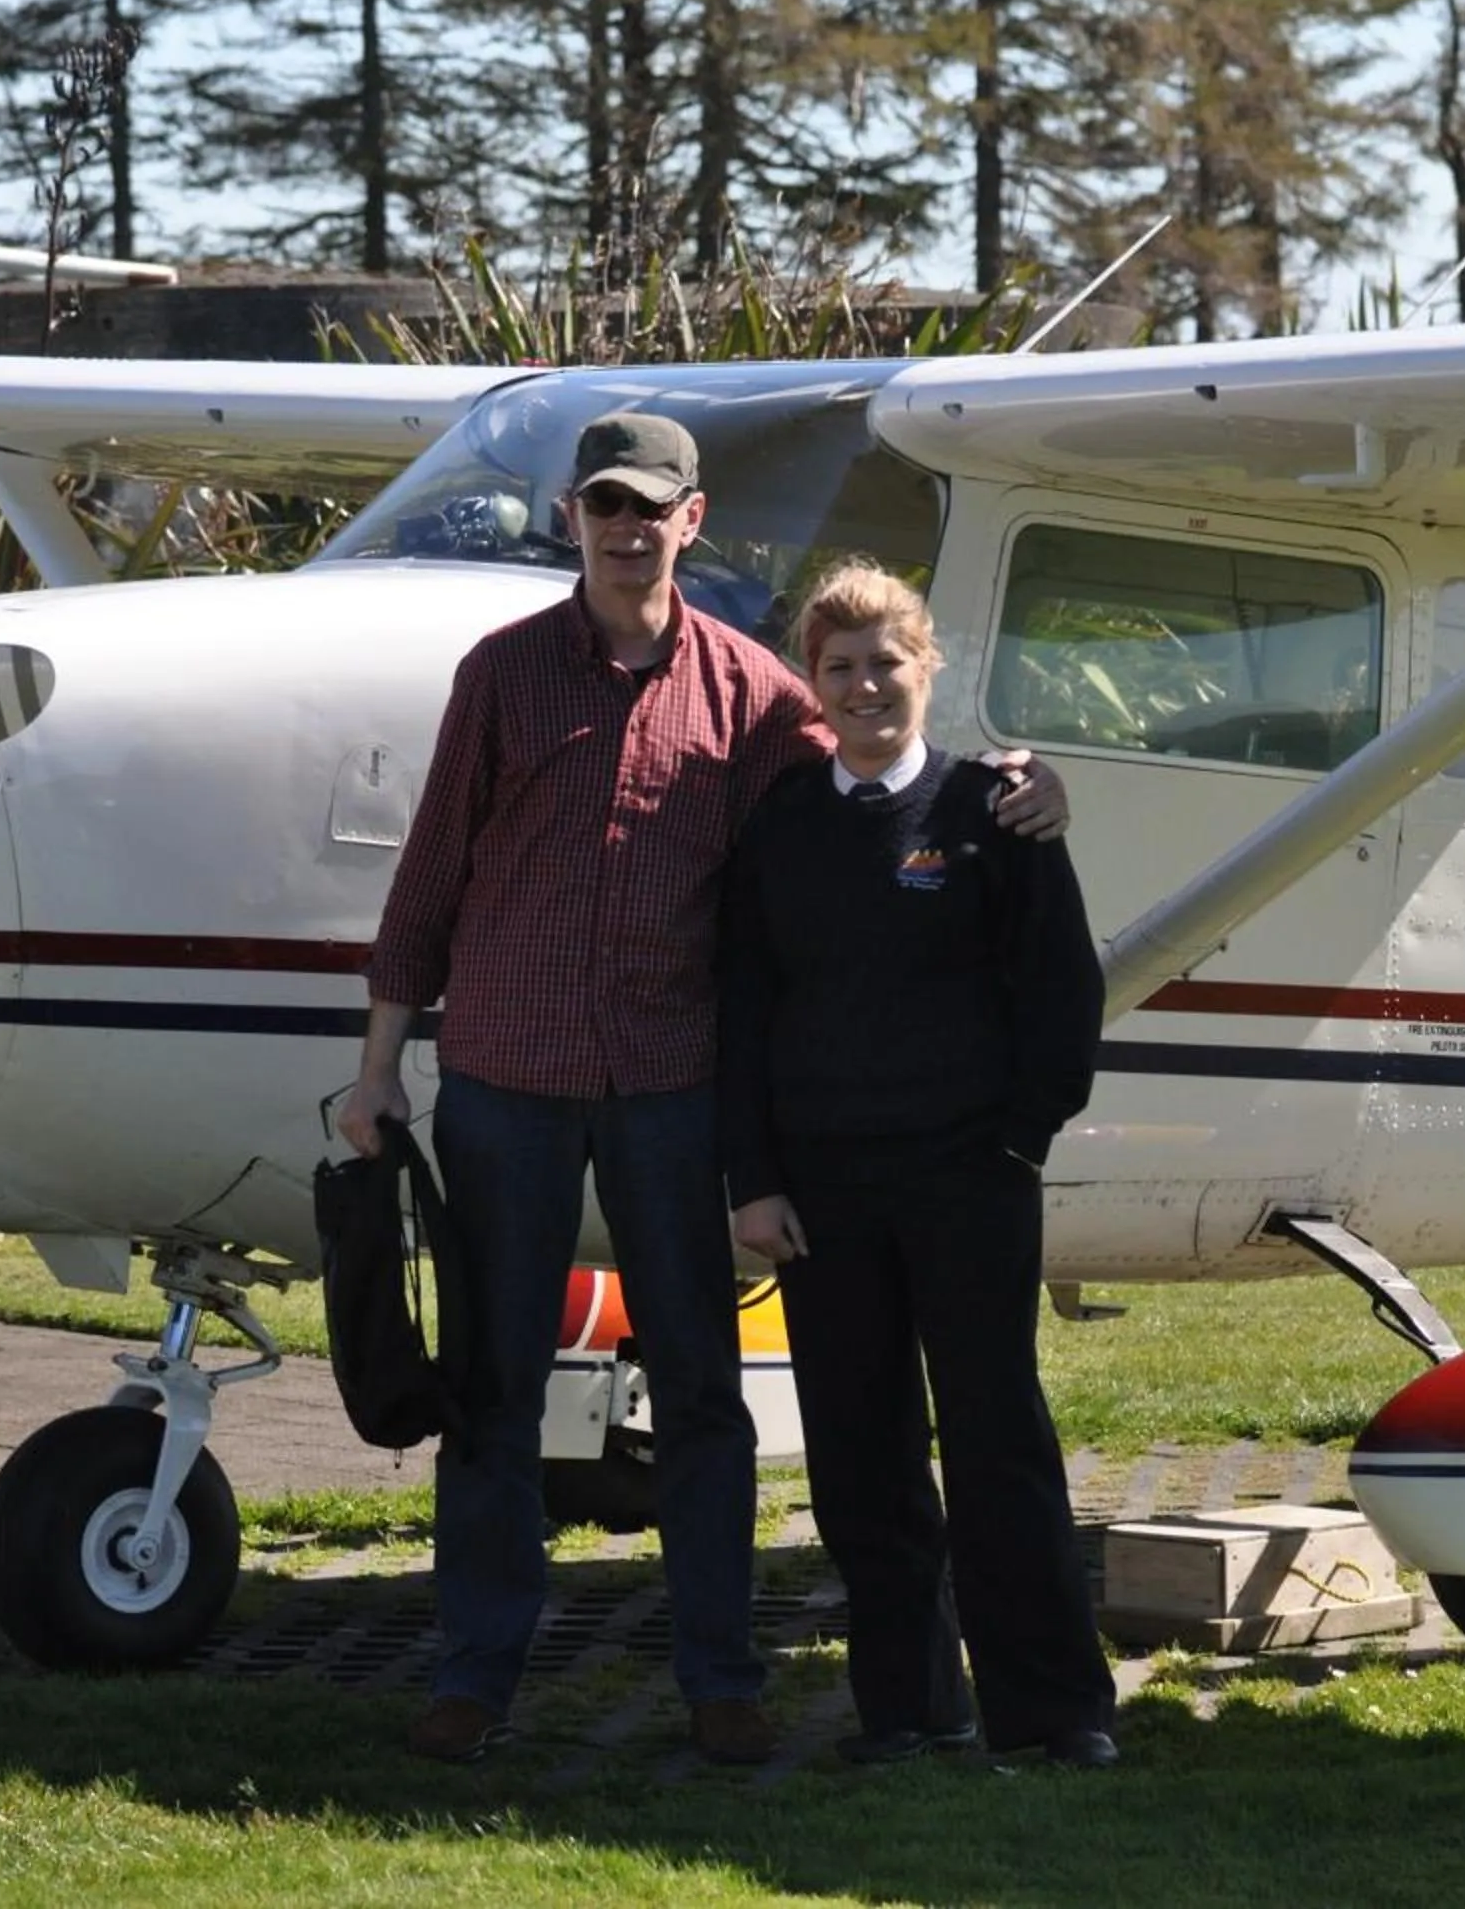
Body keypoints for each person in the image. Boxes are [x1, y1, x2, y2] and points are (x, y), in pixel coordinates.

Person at [341, 414, 1067, 1768]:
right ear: (575, 517)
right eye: (605, 504)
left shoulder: (748, 692)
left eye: (651, 508)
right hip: (508, 1077)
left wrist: (1018, 784)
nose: (627, 528)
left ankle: (720, 1680)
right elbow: (431, 875)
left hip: (673, 1087)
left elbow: (880, 755)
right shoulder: (500, 679)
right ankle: (474, 1676)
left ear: (693, 521)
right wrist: (379, 1067)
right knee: (493, 1389)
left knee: (702, 1389)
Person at [719, 564, 1119, 1771]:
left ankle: (1052, 1716)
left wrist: (1019, 1139)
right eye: (838, 668)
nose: (864, 686)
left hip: (969, 1179)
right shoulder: (781, 828)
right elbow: (744, 1014)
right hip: (824, 1196)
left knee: (998, 1439)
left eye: (884, 661)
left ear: (926, 665)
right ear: (814, 687)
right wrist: (756, 1179)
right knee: (859, 1451)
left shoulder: (994, 810)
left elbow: (1063, 991)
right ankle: (907, 1708)